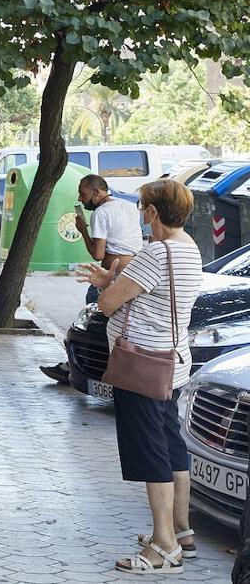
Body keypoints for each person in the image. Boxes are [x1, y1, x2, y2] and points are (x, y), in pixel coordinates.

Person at [77, 179, 202, 575]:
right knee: (169, 445)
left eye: (141, 207)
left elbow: (108, 303)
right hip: (173, 362)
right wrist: (110, 279)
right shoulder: (189, 249)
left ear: (151, 212)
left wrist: (105, 286)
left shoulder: (155, 253)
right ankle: (181, 532)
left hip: (142, 365)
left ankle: (163, 547)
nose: (138, 214)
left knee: (150, 453)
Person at [40, 175, 144, 385]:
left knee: (92, 319)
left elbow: (97, 254)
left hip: (113, 275)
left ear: (97, 193)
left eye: (84, 194)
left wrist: (83, 231)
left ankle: (83, 365)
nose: (81, 198)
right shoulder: (128, 206)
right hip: (132, 271)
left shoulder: (101, 213)